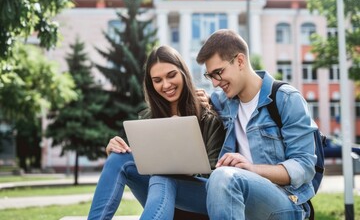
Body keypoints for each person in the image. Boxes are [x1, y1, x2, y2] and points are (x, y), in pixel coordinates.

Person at [88, 45, 225, 220]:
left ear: (183, 73)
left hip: (200, 203)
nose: (166, 85)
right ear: (151, 84)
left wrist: (181, 158)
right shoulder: (148, 118)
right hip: (161, 200)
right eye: (157, 80)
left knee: (163, 175)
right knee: (118, 158)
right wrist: (116, 149)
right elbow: (144, 165)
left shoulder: (208, 116)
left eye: (171, 75)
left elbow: (218, 180)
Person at [196, 29, 318, 220]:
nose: (215, 83)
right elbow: (200, 105)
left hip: (287, 202)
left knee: (222, 176)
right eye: (209, 76)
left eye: (218, 73)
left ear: (240, 61)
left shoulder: (286, 98)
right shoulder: (222, 102)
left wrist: (251, 169)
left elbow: (304, 165)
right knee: (160, 178)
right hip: (238, 196)